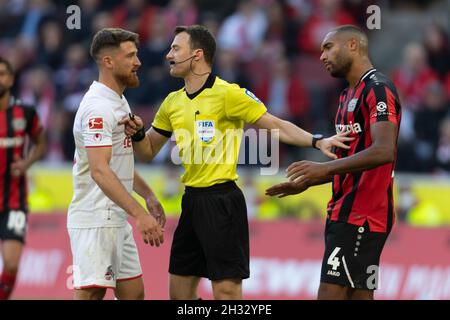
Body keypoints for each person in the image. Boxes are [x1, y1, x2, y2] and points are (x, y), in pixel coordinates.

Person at [120, 25, 352, 300]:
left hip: (223, 202)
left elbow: (275, 124)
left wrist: (317, 141)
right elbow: (147, 152)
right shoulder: (172, 102)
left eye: (175, 48)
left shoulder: (228, 93)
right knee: (179, 293)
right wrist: (136, 134)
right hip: (191, 202)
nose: (168, 54)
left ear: (196, 55)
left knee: (226, 292)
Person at [266, 25, 402, 300]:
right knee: (357, 296)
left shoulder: (378, 89)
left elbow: (384, 150)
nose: (322, 56)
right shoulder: (344, 97)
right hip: (343, 212)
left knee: (329, 292)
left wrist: (324, 167)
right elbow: (353, 160)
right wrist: (311, 179)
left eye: (328, 47)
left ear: (352, 45)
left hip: (364, 214)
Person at [67, 28, 165, 300]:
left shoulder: (119, 101)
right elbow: (100, 170)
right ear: (108, 62)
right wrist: (141, 215)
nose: (138, 62)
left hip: (116, 217)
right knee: (92, 295)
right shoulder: (98, 108)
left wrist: (147, 194)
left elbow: (118, 162)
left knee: (134, 295)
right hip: (95, 217)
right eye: (131, 55)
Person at [0, 57, 46, 299]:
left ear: (11, 79)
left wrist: (27, 162)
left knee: (11, 264)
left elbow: (41, 142)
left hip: (14, 201)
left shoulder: (25, 112)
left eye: (2, 73)